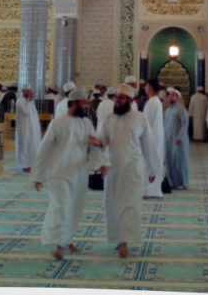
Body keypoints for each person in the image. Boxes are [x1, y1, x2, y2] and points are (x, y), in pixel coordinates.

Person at [33, 88, 105, 260]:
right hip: (59, 173)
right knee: (61, 206)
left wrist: (101, 164)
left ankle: (68, 238)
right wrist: (38, 175)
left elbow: (93, 148)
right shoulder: (57, 123)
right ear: (74, 103)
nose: (87, 106)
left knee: (74, 207)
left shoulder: (87, 123)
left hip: (79, 173)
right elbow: (44, 150)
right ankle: (59, 245)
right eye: (84, 103)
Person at [97, 83, 162, 258]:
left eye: (121, 97)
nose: (117, 100)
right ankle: (117, 239)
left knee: (130, 205)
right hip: (112, 170)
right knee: (112, 205)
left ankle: (124, 241)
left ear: (130, 100)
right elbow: (102, 142)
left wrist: (153, 171)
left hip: (133, 169)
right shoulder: (108, 119)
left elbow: (149, 145)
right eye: (116, 97)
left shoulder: (140, 119)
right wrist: (99, 160)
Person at [142, 80, 165, 198]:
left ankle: (149, 190)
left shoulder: (152, 102)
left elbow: (145, 122)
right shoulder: (155, 101)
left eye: (146, 85)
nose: (145, 87)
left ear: (151, 87)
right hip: (155, 136)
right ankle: (152, 190)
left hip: (151, 137)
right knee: (154, 160)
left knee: (150, 161)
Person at [164, 88, 189, 190]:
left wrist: (180, 136)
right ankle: (172, 182)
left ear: (178, 97)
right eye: (170, 95)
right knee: (169, 161)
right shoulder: (168, 110)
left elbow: (185, 123)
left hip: (178, 140)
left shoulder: (181, 109)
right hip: (168, 139)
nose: (171, 96)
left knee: (180, 161)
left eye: (173, 95)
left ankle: (184, 182)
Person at [15, 84, 42, 173]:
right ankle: (25, 165)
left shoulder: (30, 101)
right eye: (28, 91)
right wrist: (30, 100)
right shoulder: (20, 101)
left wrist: (30, 100)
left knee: (33, 146)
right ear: (23, 91)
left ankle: (33, 164)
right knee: (25, 146)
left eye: (30, 91)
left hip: (33, 130)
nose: (30, 92)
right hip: (25, 129)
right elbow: (26, 112)